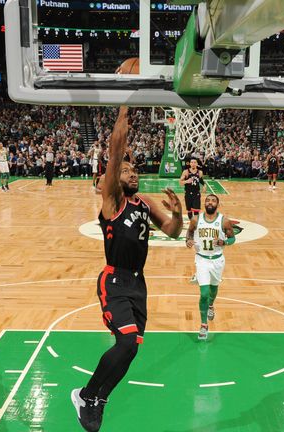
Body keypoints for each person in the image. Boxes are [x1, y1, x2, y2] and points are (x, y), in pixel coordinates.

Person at [71, 107, 183, 432]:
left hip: (138, 284)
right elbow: (116, 148)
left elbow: (173, 231)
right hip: (114, 279)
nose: (132, 174)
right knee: (127, 342)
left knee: (130, 350)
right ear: (113, 178)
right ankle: (85, 394)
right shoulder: (113, 201)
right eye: (125, 171)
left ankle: (99, 398)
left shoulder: (144, 203)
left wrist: (177, 214)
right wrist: (124, 110)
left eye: (134, 171)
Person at [185, 194, 235, 340]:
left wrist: (224, 242)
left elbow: (232, 238)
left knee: (213, 289)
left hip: (217, 261)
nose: (210, 202)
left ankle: (211, 306)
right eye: (207, 200)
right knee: (204, 293)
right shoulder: (196, 219)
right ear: (204, 204)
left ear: (217, 205)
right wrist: (188, 240)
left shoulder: (224, 221)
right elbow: (189, 232)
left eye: (213, 201)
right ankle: (203, 325)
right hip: (201, 260)